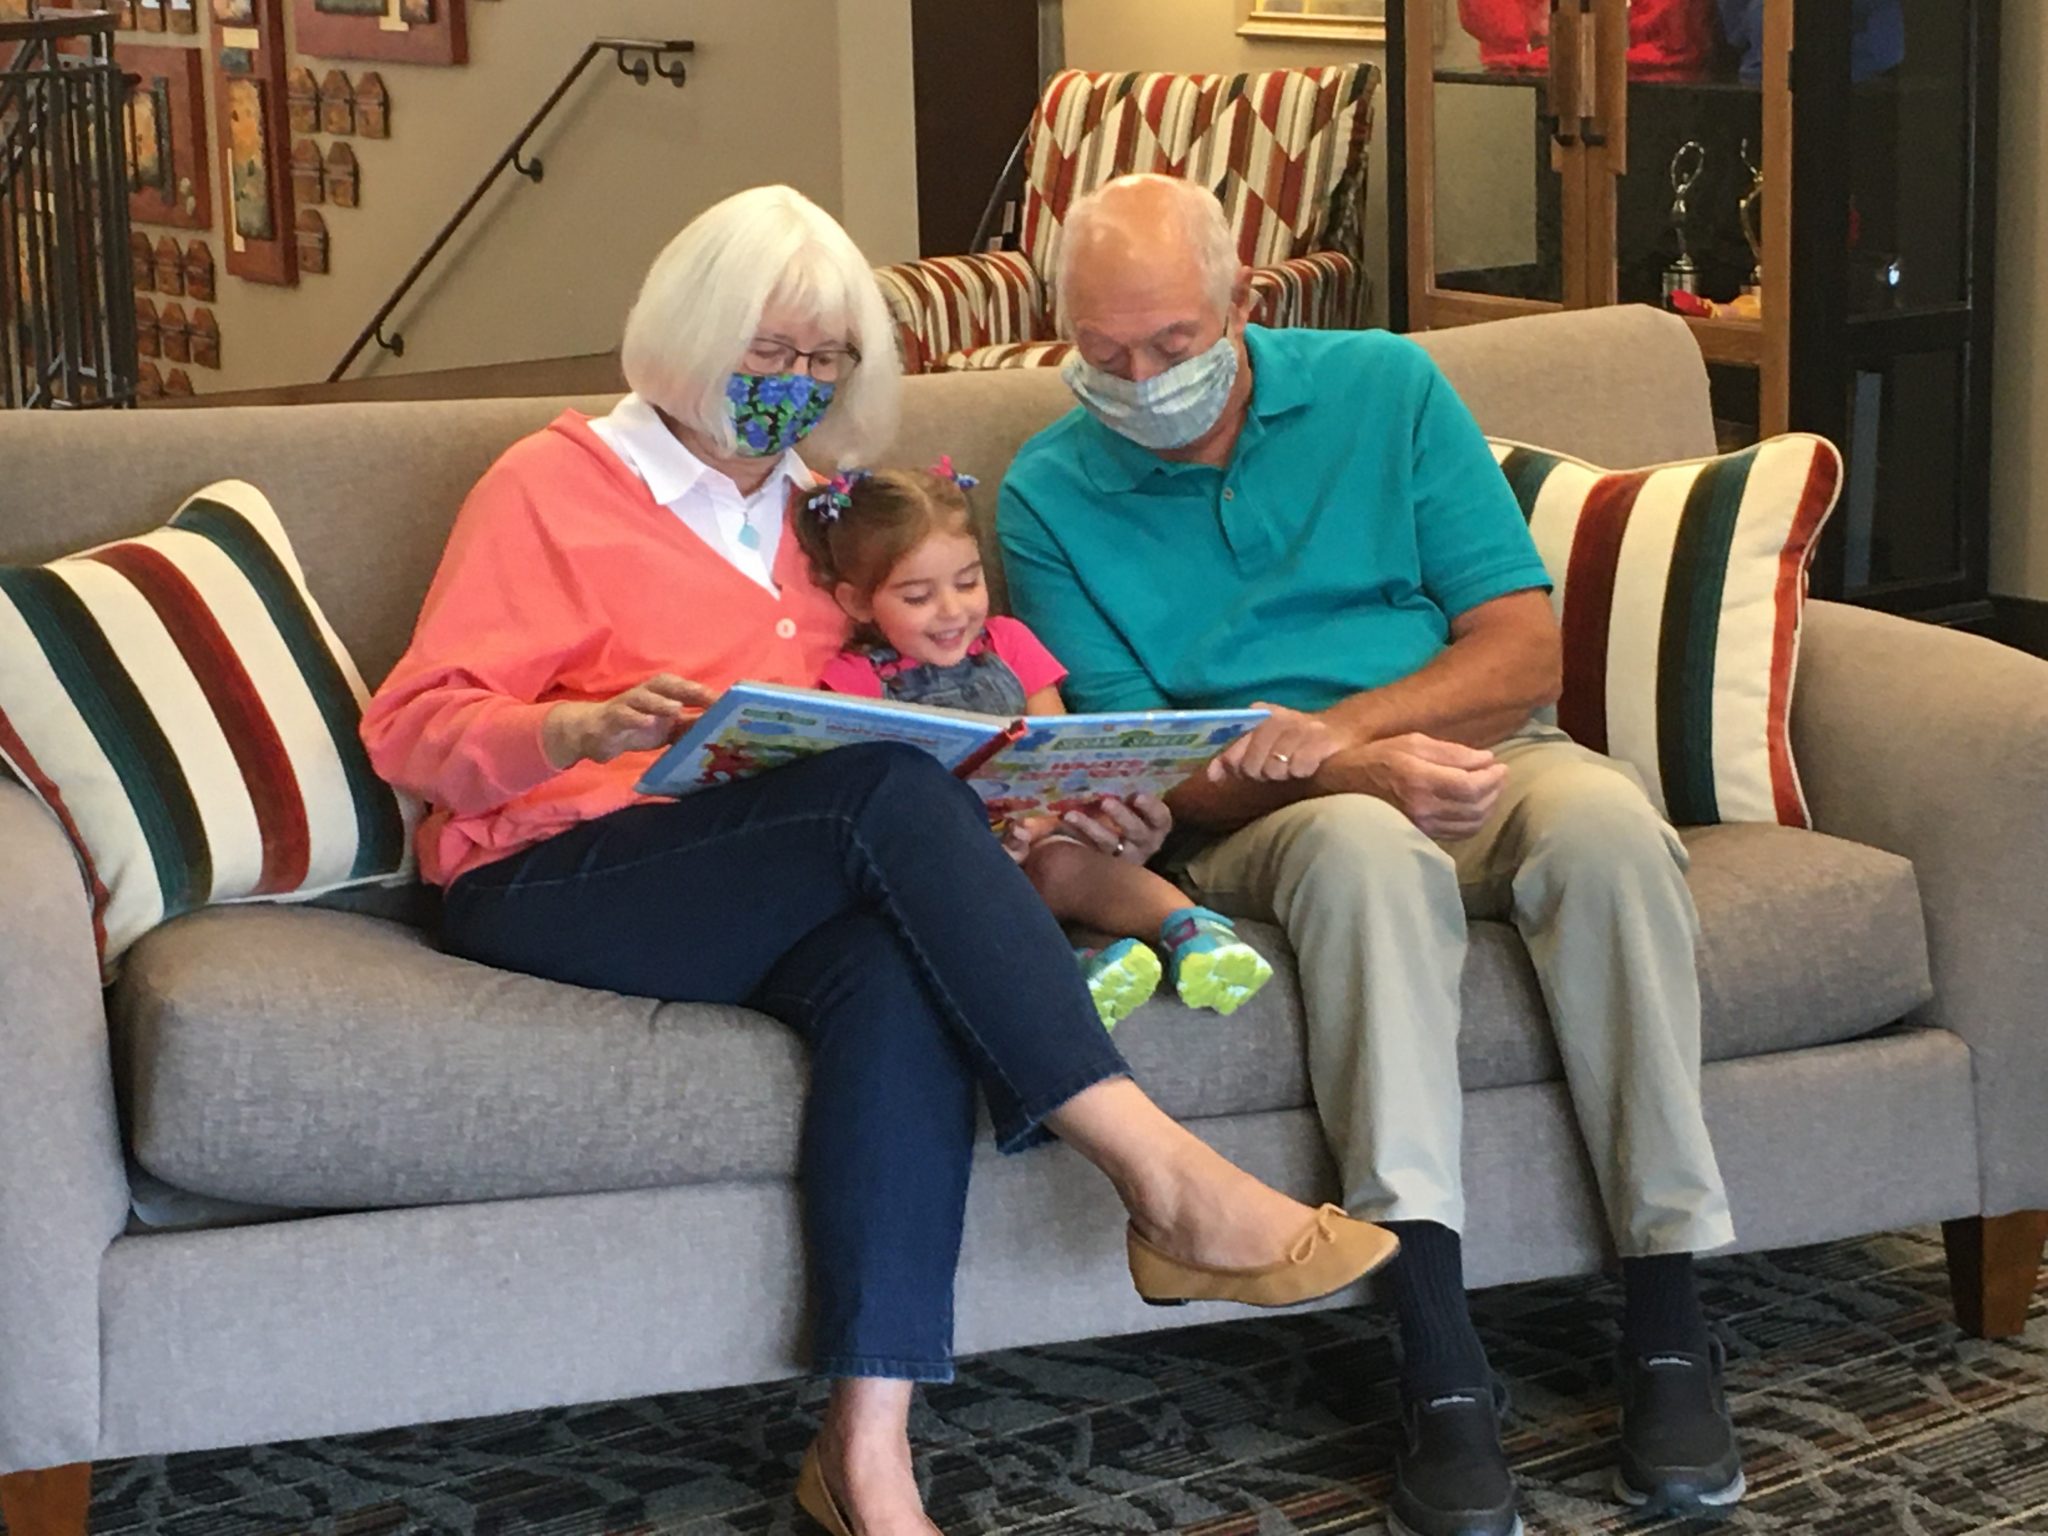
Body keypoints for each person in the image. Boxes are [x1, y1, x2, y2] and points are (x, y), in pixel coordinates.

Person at [360, 184, 1399, 1536]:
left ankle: (867, 1458)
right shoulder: (553, 487)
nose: (796, 385)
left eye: (825, 360)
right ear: (688, 336)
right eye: (766, 354)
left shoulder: (830, 522)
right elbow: (412, 731)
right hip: (560, 876)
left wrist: (1062, 807)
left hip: (768, 876)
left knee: (896, 974)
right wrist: (572, 722)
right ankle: (1165, 1180)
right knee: (886, 787)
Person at [997, 173, 1743, 1536]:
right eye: (1103, 355)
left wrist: (1351, 730)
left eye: (1171, 345)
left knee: (1611, 832)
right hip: (1274, 821)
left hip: (1480, 752)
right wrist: (1346, 770)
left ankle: (1668, 1315)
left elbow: (1521, 650)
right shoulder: (1048, 492)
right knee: (1361, 852)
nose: (1142, 380)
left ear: (1241, 305)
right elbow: (1144, 759)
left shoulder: (1384, 390)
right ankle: (1436, 1349)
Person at [800, 460, 1276, 1027]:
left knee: (1062, 864)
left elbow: (1055, 752)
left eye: (969, 581)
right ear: (856, 603)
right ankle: (1075, 969)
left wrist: (1050, 822)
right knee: (942, 904)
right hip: (943, 866)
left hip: (1042, 837)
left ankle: (1192, 931)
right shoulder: (854, 680)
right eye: (918, 597)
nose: (954, 611)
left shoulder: (1010, 643)